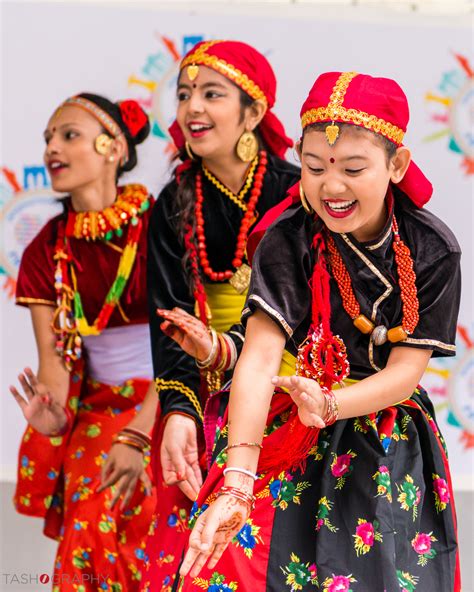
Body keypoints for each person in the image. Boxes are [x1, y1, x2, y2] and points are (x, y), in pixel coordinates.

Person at [177, 71, 461, 592]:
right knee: (237, 569)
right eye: (313, 167)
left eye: (353, 168)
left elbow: (405, 372)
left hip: (381, 435)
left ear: (396, 164)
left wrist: (330, 405)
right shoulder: (289, 237)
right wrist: (238, 484)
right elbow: (260, 360)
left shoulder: (431, 249)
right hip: (286, 428)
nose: (331, 186)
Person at [143, 40, 300, 592]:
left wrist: (229, 348)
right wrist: (179, 414)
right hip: (206, 393)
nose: (192, 108)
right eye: (185, 94)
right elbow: (169, 324)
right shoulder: (171, 205)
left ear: (253, 112)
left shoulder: (298, 194)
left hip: (287, 391)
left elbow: (306, 310)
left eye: (212, 94)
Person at [10, 93, 158, 592]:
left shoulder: (163, 228)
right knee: (92, 515)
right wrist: (53, 419)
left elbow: (188, 352)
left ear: (113, 147)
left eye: (67, 135)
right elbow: (53, 370)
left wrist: (139, 434)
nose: (52, 147)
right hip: (96, 412)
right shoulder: (45, 250)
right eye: (48, 138)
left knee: (166, 523)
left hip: (175, 401)